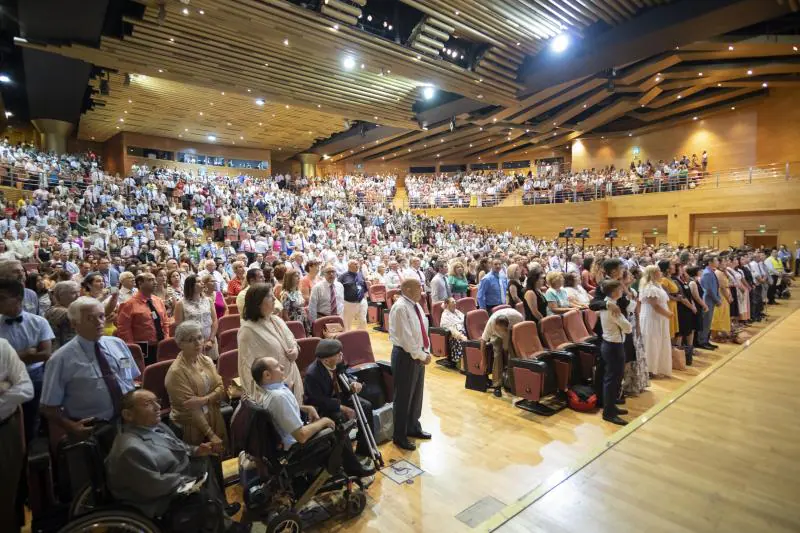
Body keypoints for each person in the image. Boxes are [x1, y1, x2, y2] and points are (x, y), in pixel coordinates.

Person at [106, 390, 245, 531]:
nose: (157, 407)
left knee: (208, 459)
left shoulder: (155, 425)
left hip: (174, 471)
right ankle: (220, 523)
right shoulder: (130, 450)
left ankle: (221, 514)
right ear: (128, 415)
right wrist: (189, 483)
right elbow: (154, 485)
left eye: (157, 401)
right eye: (148, 404)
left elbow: (179, 446)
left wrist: (197, 450)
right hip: (157, 497)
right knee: (200, 493)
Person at [250, 357, 375, 481]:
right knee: (339, 430)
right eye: (277, 366)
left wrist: (305, 408)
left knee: (332, 422)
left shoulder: (265, 391)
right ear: (267, 375)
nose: (282, 367)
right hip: (296, 450)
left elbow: (282, 411)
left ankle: (344, 466)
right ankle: (353, 470)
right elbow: (301, 435)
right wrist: (324, 421)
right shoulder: (279, 397)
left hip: (287, 439)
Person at [0, 279, 54, 442]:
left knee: (30, 421)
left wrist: (10, 357)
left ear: (18, 298)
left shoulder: (38, 322)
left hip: (34, 375)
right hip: (5, 379)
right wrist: (27, 353)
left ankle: (27, 450)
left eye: (2, 298)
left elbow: (45, 354)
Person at [302, 338, 375, 459]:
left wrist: (353, 383)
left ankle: (365, 448)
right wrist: (343, 408)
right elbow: (319, 400)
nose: (341, 355)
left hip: (340, 396)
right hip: (324, 406)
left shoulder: (338, 361)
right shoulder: (312, 374)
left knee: (366, 406)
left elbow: (346, 374)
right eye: (338, 354)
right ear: (326, 360)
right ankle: (347, 458)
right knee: (340, 417)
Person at [165, 321, 228, 451]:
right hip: (190, 424)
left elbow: (221, 388)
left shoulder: (206, 360)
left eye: (199, 337)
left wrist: (204, 400)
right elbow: (192, 409)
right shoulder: (176, 372)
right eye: (190, 340)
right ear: (180, 344)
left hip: (212, 413)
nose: (198, 343)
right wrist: (211, 434)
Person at [238, 284, 303, 404]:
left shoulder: (276, 320)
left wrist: (295, 351)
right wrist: (258, 398)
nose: (274, 298)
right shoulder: (247, 330)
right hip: (272, 393)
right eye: (269, 296)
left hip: (292, 378)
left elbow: (292, 341)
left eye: (273, 295)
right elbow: (246, 367)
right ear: (257, 302)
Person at [388, 278, 432, 451]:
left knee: (416, 395)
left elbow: (422, 330)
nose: (421, 290)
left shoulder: (416, 305)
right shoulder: (400, 307)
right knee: (404, 397)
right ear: (406, 288)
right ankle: (399, 435)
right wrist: (421, 355)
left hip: (417, 353)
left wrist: (425, 350)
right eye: (417, 287)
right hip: (406, 355)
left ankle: (413, 427)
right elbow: (406, 338)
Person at [0, 337, 34, 532]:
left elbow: (26, 389)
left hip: (4, 430)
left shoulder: (2, 347)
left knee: (6, 498)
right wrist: (3, 388)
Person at [597, 280, 632, 426]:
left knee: (615, 379)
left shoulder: (608, 303)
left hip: (612, 344)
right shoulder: (612, 307)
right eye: (620, 289)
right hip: (613, 345)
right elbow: (628, 327)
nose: (622, 291)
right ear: (613, 292)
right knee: (612, 380)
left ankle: (611, 406)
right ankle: (608, 413)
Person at [116, 272, 170, 364]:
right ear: (140, 284)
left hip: (161, 344)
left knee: (161, 371)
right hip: (142, 346)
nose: (155, 282)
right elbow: (124, 330)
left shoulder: (158, 301)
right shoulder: (128, 304)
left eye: (154, 279)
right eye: (150, 280)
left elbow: (165, 322)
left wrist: (166, 339)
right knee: (145, 372)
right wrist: (133, 349)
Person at [174, 275, 220, 361]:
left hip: (210, 341)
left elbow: (214, 321)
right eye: (198, 282)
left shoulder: (208, 300)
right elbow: (180, 328)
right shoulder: (181, 304)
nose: (202, 283)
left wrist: (211, 340)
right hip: (193, 344)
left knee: (212, 367)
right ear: (191, 286)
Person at [639, 265, 673, 378]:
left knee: (659, 341)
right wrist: (667, 314)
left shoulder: (657, 285)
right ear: (653, 273)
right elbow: (655, 306)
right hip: (653, 318)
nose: (661, 272)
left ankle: (658, 368)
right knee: (653, 342)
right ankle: (651, 370)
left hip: (659, 318)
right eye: (658, 271)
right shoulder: (649, 287)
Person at [481, 307, 524, 397]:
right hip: (495, 336)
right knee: (497, 355)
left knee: (513, 356)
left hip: (512, 332)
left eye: (503, 330)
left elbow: (522, 331)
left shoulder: (517, 318)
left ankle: (514, 383)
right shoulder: (491, 324)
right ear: (495, 325)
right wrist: (483, 360)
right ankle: (497, 385)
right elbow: (483, 341)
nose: (502, 332)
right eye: (499, 329)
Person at [45, 280, 80, 350]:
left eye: (78, 292)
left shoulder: (53, 309)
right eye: (73, 293)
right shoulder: (63, 312)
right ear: (61, 295)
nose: (78, 295)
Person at [698, 255, 721, 350]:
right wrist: (717, 300)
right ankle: (702, 341)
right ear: (710, 262)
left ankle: (706, 340)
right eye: (716, 260)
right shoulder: (707, 273)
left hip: (711, 300)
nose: (718, 262)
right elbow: (709, 290)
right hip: (708, 300)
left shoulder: (711, 271)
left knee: (708, 322)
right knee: (706, 322)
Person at [339, 259, 368, 331]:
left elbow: (364, 287)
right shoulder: (343, 276)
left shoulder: (360, 275)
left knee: (363, 320)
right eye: (355, 264)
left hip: (361, 301)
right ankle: (347, 338)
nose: (357, 265)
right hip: (349, 303)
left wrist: (365, 298)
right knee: (347, 323)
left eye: (357, 264)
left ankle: (359, 336)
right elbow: (338, 289)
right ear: (349, 265)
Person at [439, 297, 467, 367]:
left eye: (455, 301)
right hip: (454, 336)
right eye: (452, 302)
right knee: (461, 340)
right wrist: (461, 336)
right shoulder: (445, 315)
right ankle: (462, 365)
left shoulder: (457, 311)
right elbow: (450, 329)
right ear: (447, 304)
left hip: (464, 330)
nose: (455, 303)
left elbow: (466, 319)